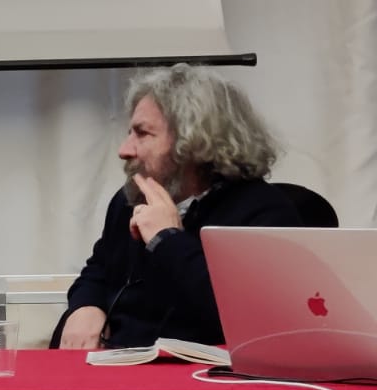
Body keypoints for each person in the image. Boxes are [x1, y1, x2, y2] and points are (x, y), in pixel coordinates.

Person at [53, 64, 300, 350]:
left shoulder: (264, 213)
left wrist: (167, 239)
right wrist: (86, 305)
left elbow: (240, 317)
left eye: (142, 133)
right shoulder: (130, 200)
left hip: (195, 372)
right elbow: (99, 269)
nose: (124, 150)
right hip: (117, 363)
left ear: (195, 141)